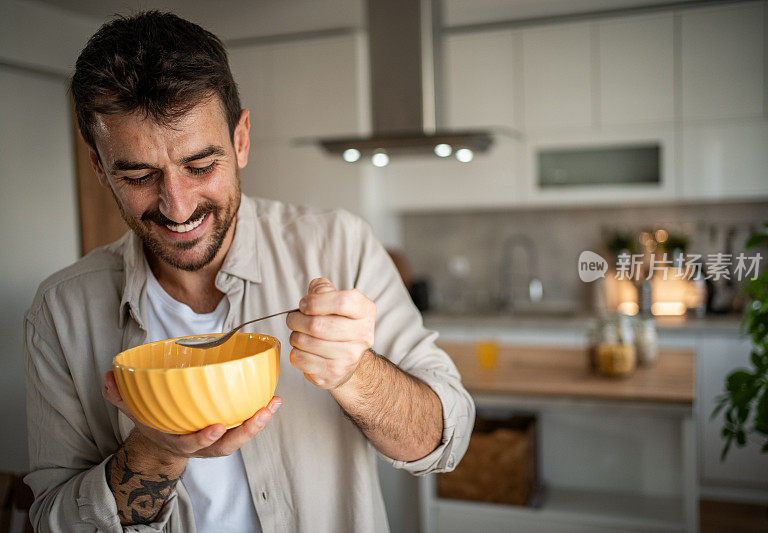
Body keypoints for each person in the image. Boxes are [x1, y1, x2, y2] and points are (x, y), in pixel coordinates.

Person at [23, 11, 474, 533]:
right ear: (101, 167)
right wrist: (155, 451)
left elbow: (445, 441)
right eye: (140, 175)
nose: (177, 206)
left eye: (200, 166)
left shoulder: (338, 245)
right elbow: (49, 522)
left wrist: (358, 373)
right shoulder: (60, 312)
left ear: (240, 141)